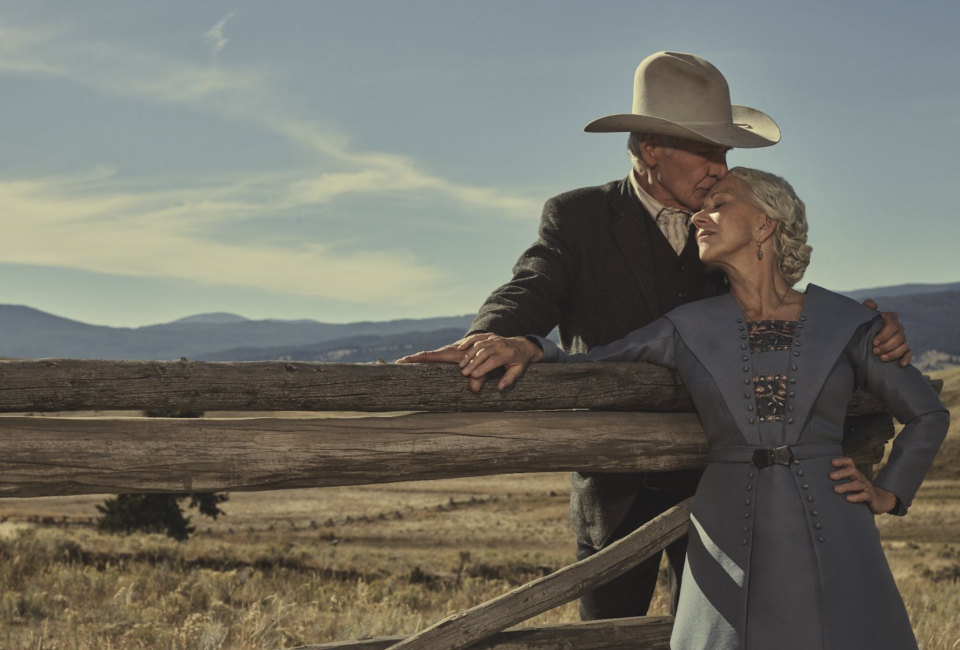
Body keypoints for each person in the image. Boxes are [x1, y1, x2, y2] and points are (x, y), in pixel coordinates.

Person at [398, 51, 911, 620]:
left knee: (721, 631)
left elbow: (780, 298)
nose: (721, 166)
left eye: (725, 151)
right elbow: (533, 285)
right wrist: (494, 336)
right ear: (651, 150)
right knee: (607, 634)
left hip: (726, 487)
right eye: (708, 150)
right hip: (615, 485)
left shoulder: (727, 220)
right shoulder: (580, 217)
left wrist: (867, 323)